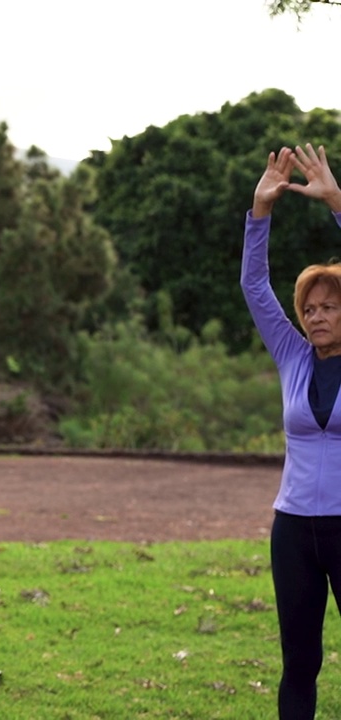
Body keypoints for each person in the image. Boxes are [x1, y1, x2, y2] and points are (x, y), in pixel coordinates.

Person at [241, 143, 341, 720]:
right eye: (310, 307)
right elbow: (256, 289)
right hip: (295, 530)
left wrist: (336, 203)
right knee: (299, 663)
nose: (317, 315)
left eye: (329, 306)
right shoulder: (292, 356)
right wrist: (261, 213)